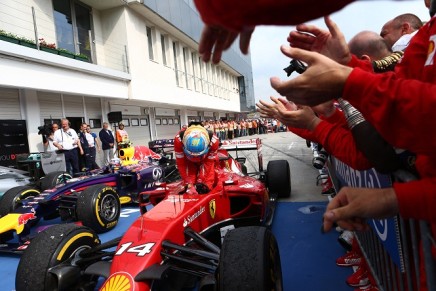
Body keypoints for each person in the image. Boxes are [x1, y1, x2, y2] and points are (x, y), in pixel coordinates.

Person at [174, 123, 219, 194]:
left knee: (207, 182)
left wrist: (201, 182)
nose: (195, 159)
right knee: (189, 183)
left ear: (208, 146)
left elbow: (208, 164)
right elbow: (181, 164)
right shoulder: (178, 140)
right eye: (193, 156)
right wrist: (189, 183)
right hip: (187, 161)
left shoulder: (214, 142)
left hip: (206, 159)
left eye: (197, 156)